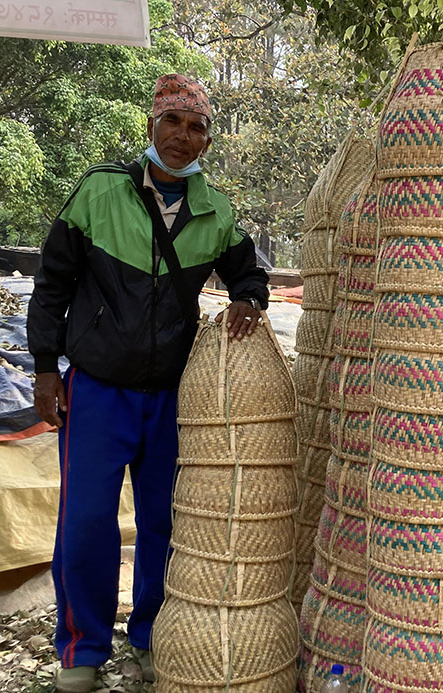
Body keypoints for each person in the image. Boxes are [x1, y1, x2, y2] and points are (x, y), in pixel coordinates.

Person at [26, 74, 269, 693]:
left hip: (171, 396)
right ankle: (82, 650)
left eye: (197, 128)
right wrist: (45, 368)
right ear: (152, 125)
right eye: (174, 123)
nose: (184, 138)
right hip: (98, 390)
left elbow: (249, 273)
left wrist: (249, 299)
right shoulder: (99, 192)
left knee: (167, 521)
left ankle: (153, 636)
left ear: (207, 140)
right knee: (85, 521)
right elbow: (52, 284)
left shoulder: (214, 210)